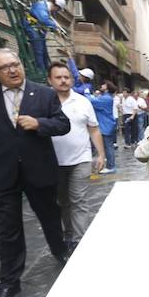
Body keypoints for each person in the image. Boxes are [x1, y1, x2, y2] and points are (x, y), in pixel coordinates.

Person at [0, 49, 71, 297]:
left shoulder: (44, 93)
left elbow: (62, 124)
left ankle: (60, 251)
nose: (12, 70)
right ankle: (9, 282)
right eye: (5, 67)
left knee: (50, 216)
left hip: (39, 170)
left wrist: (39, 124)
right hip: (1, 174)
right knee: (8, 229)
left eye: (15, 64)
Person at [48, 62, 105, 250]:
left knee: (79, 201)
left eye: (67, 77)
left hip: (81, 159)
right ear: (50, 80)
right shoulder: (43, 101)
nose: (63, 81)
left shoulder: (83, 102)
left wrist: (101, 154)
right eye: (59, 77)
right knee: (62, 202)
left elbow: (94, 129)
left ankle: (80, 242)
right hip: (53, 162)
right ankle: (68, 235)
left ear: (72, 79)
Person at [23, 0, 66, 72]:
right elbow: (43, 19)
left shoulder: (46, 9)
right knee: (39, 50)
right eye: (58, 9)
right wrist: (55, 27)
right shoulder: (41, 6)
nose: (57, 11)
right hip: (31, 27)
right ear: (57, 6)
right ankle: (40, 72)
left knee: (44, 53)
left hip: (37, 29)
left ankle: (46, 71)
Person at [88, 81, 118, 174]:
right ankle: (109, 164)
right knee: (107, 146)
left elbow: (92, 101)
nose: (101, 85)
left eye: (103, 84)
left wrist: (86, 92)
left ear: (107, 87)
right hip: (105, 124)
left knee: (108, 146)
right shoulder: (105, 97)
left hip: (106, 125)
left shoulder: (106, 98)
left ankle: (111, 167)